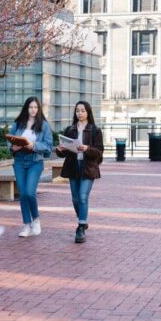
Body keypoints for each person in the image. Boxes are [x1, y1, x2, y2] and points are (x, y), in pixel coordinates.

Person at [56, 101, 104, 243]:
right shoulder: (70, 129)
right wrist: (60, 150)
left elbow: (99, 152)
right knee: (75, 199)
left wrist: (87, 148)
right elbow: (63, 154)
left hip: (88, 167)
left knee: (83, 197)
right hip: (73, 166)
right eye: (77, 111)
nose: (80, 113)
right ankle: (82, 219)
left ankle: (81, 226)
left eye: (82, 111)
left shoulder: (95, 130)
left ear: (88, 112)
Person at [8, 96, 53, 237]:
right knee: (22, 194)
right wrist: (12, 147)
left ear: (38, 109)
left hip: (35, 161)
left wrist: (33, 145)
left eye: (35, 107)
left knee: (29, 192)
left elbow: (48, 146)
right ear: (26, 108)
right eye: (30, 107)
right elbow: (10, 140)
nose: (33, 110)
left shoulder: (44, 125)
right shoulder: (18, 124)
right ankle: (27, 225)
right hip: (20, 161)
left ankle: (36, 219)